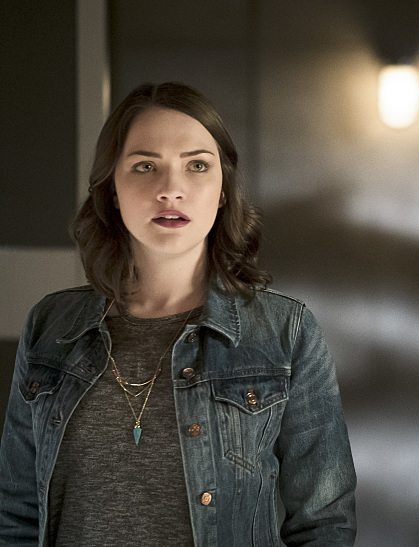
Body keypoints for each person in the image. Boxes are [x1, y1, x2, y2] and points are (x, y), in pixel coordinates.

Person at [0, 82, 356, 546]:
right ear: (112, 189)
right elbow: (16, 513)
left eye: (197, 166)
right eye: (145, 166)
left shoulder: (285, 332)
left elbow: (324, 523)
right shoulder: (51, 325)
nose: (171, 189)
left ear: (223, 190)